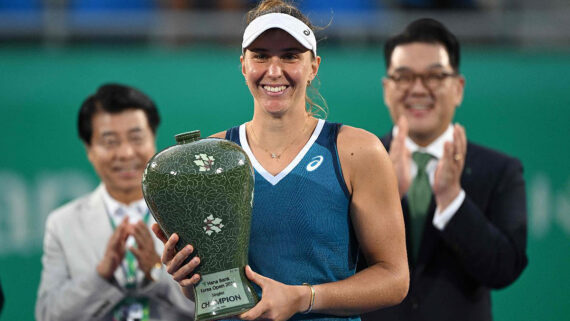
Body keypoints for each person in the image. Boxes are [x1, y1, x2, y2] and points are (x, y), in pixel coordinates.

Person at [152, 1, 409, 320]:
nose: (274, 71)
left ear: (313, 66)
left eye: (290, 55)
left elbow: (394, 279)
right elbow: (215, 289)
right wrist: (191, 281)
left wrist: (304, 298)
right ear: (243, 64)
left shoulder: (357, 151)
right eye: (261, 55)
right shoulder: (209, 158)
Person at [360, 18, 528, 321]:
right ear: (387, 89)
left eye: (434, 76)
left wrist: (452, 200)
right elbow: (336, 265)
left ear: (458, 88)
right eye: (404, 77)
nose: (418, 89)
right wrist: (389, 198)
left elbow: (504, 269)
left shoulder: (500, 170)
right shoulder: (357, 164)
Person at [35, 84, 194, 321]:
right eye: (110, 142)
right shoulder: (63, 223)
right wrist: (100, 276)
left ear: (153, 139)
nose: (126, 153)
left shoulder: (189, 211)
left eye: (136, 138)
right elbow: (48, 315)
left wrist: (156, 273)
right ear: (89, 150)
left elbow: (216, 306)